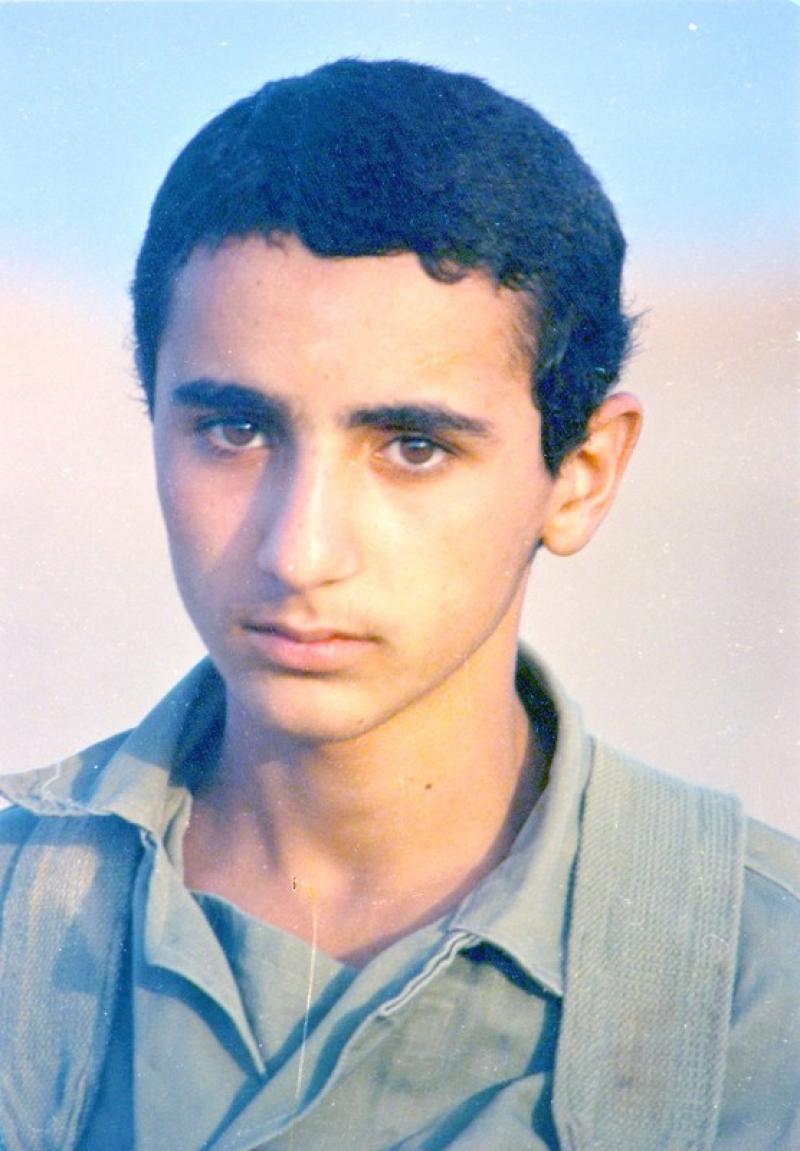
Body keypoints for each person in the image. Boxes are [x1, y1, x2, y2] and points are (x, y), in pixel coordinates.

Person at [0, 58, 797, 1151]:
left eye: (413, 446)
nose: (300, 550)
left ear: (581, 475)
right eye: (234, 430)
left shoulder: (763, 990)